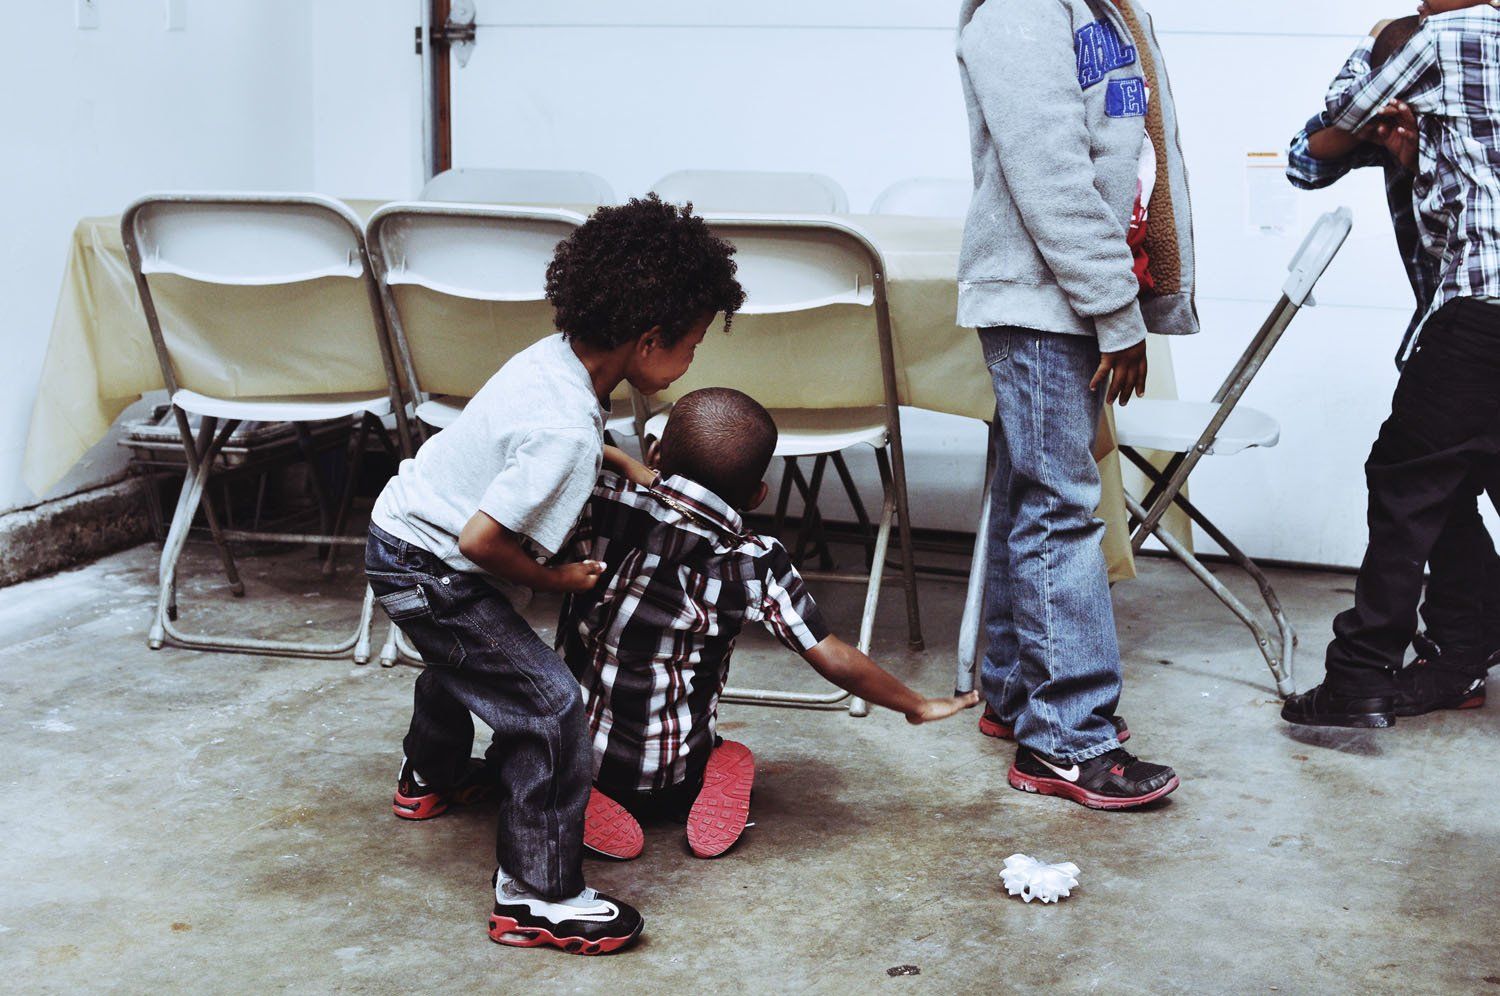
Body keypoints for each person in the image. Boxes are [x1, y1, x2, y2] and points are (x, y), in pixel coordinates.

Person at [364, 195, 745, 953]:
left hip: (399, 530)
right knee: (548, 703)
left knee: (469, 659)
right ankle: (534, 895)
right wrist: (561, 580)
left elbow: (537, 438)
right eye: (692, 345)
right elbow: (481, 541)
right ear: (648, 341)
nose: (692, 360)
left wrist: (614, 458)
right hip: (436, 564)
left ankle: (428, 777)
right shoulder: (567, 429)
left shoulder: (554, 364)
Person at [558, 388, 979, 859]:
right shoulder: (756, 562)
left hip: (581, 758)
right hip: (673, 774)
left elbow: (566, 456)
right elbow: (833, 656)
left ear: (654, 453)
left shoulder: (603, 504)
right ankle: (694, 775)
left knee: (543, 732)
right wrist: (915, 704)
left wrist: (616, 457)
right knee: (702, 738)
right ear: (758, 495)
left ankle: (565, 790)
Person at [955, 0, 1198, 808]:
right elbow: (1049, 174)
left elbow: (1131, 153)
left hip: (1063, 296)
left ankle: (1017, 695)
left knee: (1034, 494)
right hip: (1042, 299)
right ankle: (1065, 741)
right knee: (1061, 507)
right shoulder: (1020, 14)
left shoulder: (1103, 9)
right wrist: (1113, 307)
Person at [1282, 0, 1500, 728]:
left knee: (1407, 482)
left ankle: (1359, 678)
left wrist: (1376, 47)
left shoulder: (1436, 40)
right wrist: (1411, 147)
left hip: (1483, 308)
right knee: (1457, 474)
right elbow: (1304, 166)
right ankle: (1464, 651)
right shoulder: (1441, 81)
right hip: (1469, 315)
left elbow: (1324, 132)